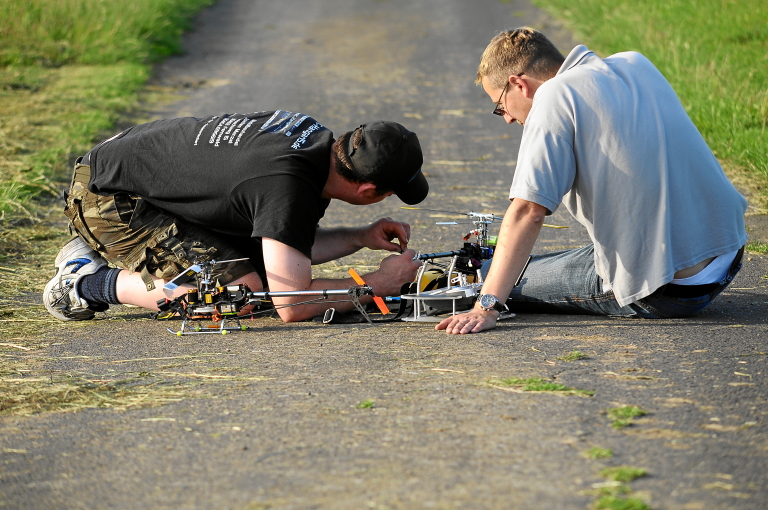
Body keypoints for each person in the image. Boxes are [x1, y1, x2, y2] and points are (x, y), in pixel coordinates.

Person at [437, 27, 747, 335]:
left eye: (500, 106)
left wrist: (486, 306)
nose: (506, 117)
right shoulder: (634, 64)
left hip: (669, 291)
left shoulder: (552, 96)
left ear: (519, 84)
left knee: (483, 278)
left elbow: (527, 211)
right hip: (727, 253)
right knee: (528, 266)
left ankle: (443, 283)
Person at [44, 111, 427, 322]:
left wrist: (360, 236)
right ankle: (87, 282)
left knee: (252, 267)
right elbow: (289, 302)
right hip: (110, 198)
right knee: (241, 294)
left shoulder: (312, 142)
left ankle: (94, 254)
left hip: (125, 165)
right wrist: (377, 283)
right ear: (368, 191)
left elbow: (287, 246)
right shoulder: (287, 185)